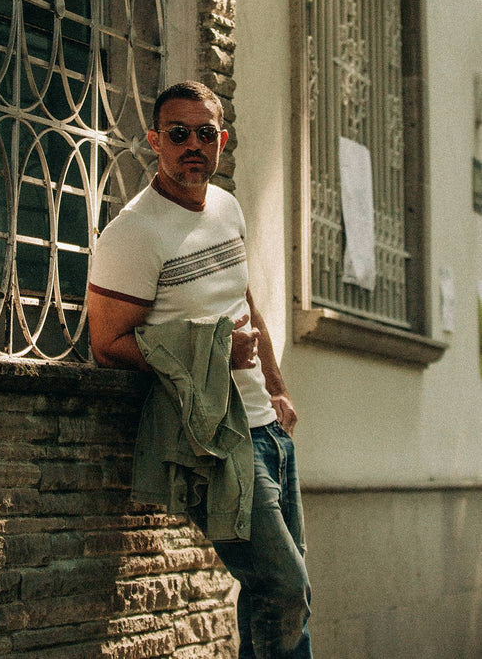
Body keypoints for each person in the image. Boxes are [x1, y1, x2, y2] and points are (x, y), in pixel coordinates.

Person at [88, 80, 312, 659]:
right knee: (284, 588)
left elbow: (247, 302)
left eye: (205, 133)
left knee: (276, 591)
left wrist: (279, 388)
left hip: (267, 427)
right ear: (154, 141)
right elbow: (107, 342)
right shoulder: (134, 233)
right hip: (213, 438)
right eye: (179, 133)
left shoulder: (227, 207)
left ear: (221, 140)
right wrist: (211, 351)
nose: (193, 145)